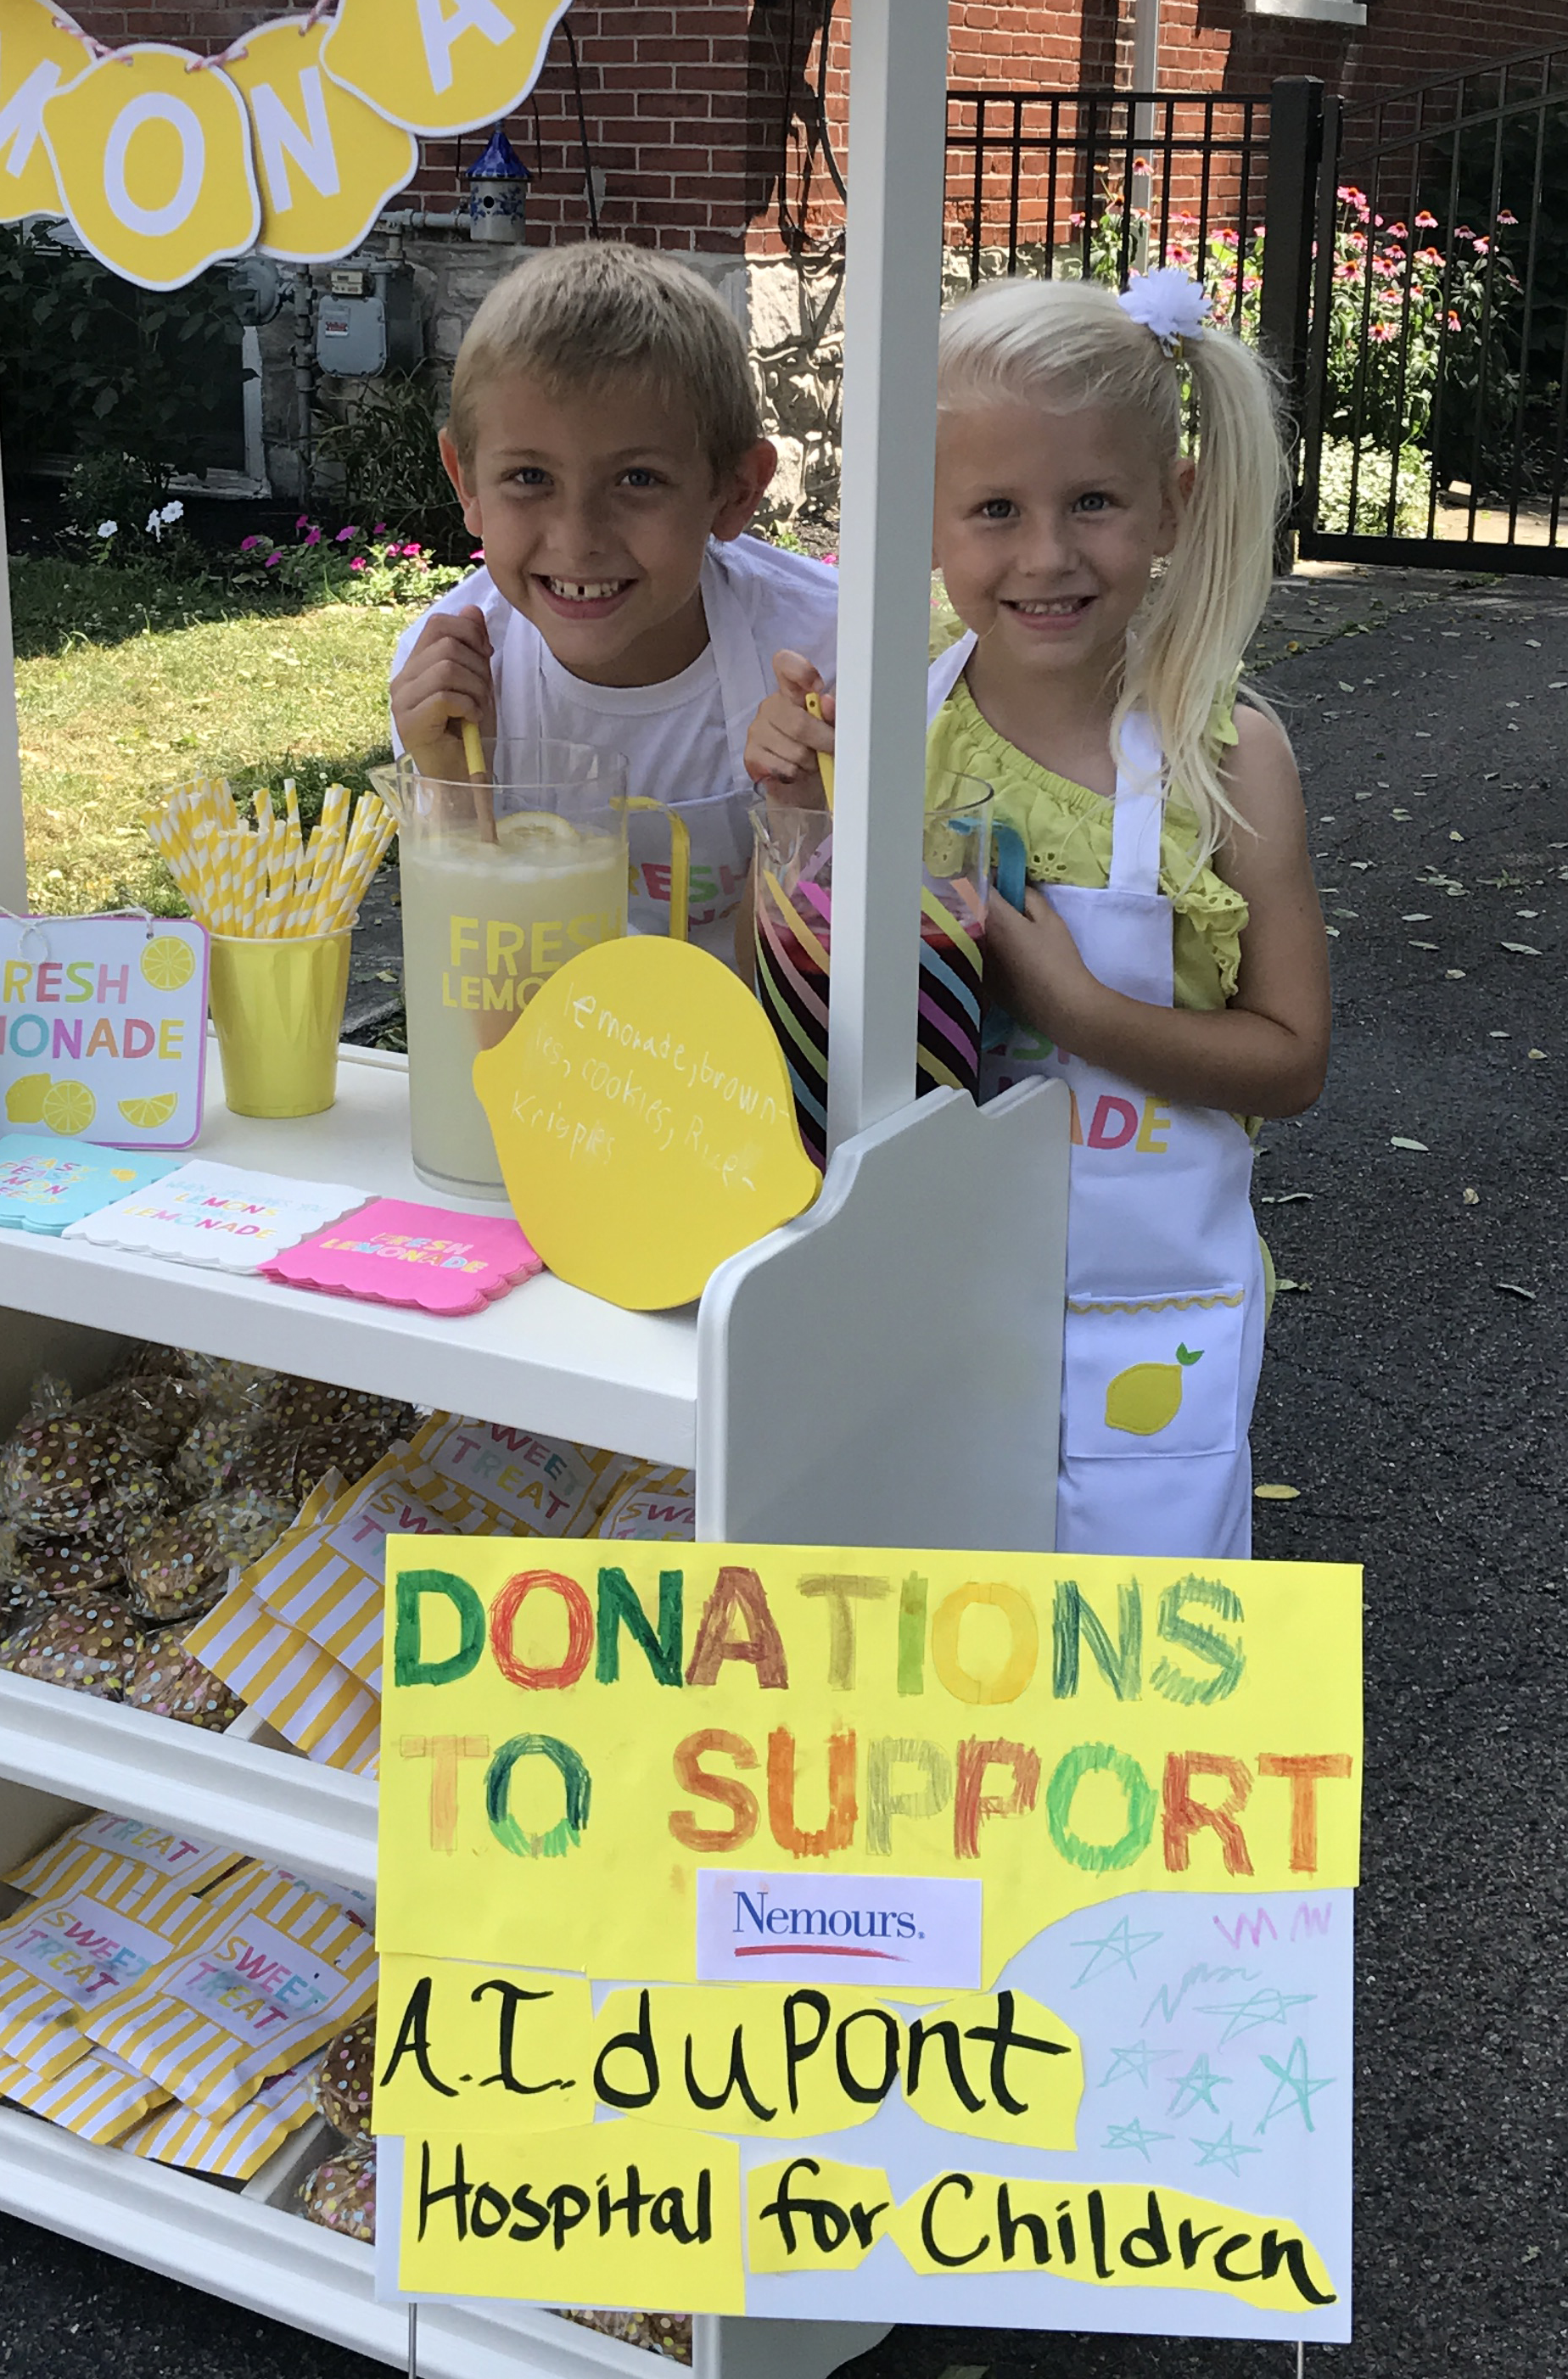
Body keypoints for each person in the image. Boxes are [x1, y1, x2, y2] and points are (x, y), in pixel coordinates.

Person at [746, 267, 1329, 1559]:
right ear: (930, 524)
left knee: (1128, 1650)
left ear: (1173, 507)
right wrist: (795, 813)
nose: (1048, 554)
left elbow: (1290, 1060)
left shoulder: (1226, 759)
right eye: (996, 509)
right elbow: (796, 1004)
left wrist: (1073, 1008)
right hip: (923, 1294)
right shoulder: (889, 734)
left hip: (1147, 1312)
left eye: (1095, 504)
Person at [389, 240, 837, 961]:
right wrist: (447, 788)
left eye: (637, 480)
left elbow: (844, 981)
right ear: (465, 482)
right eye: (530, 477)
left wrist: (803, 819)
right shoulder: (447, 685)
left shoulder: (828, 651)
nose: (578, 539)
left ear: (736, 491)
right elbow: (467, 973)